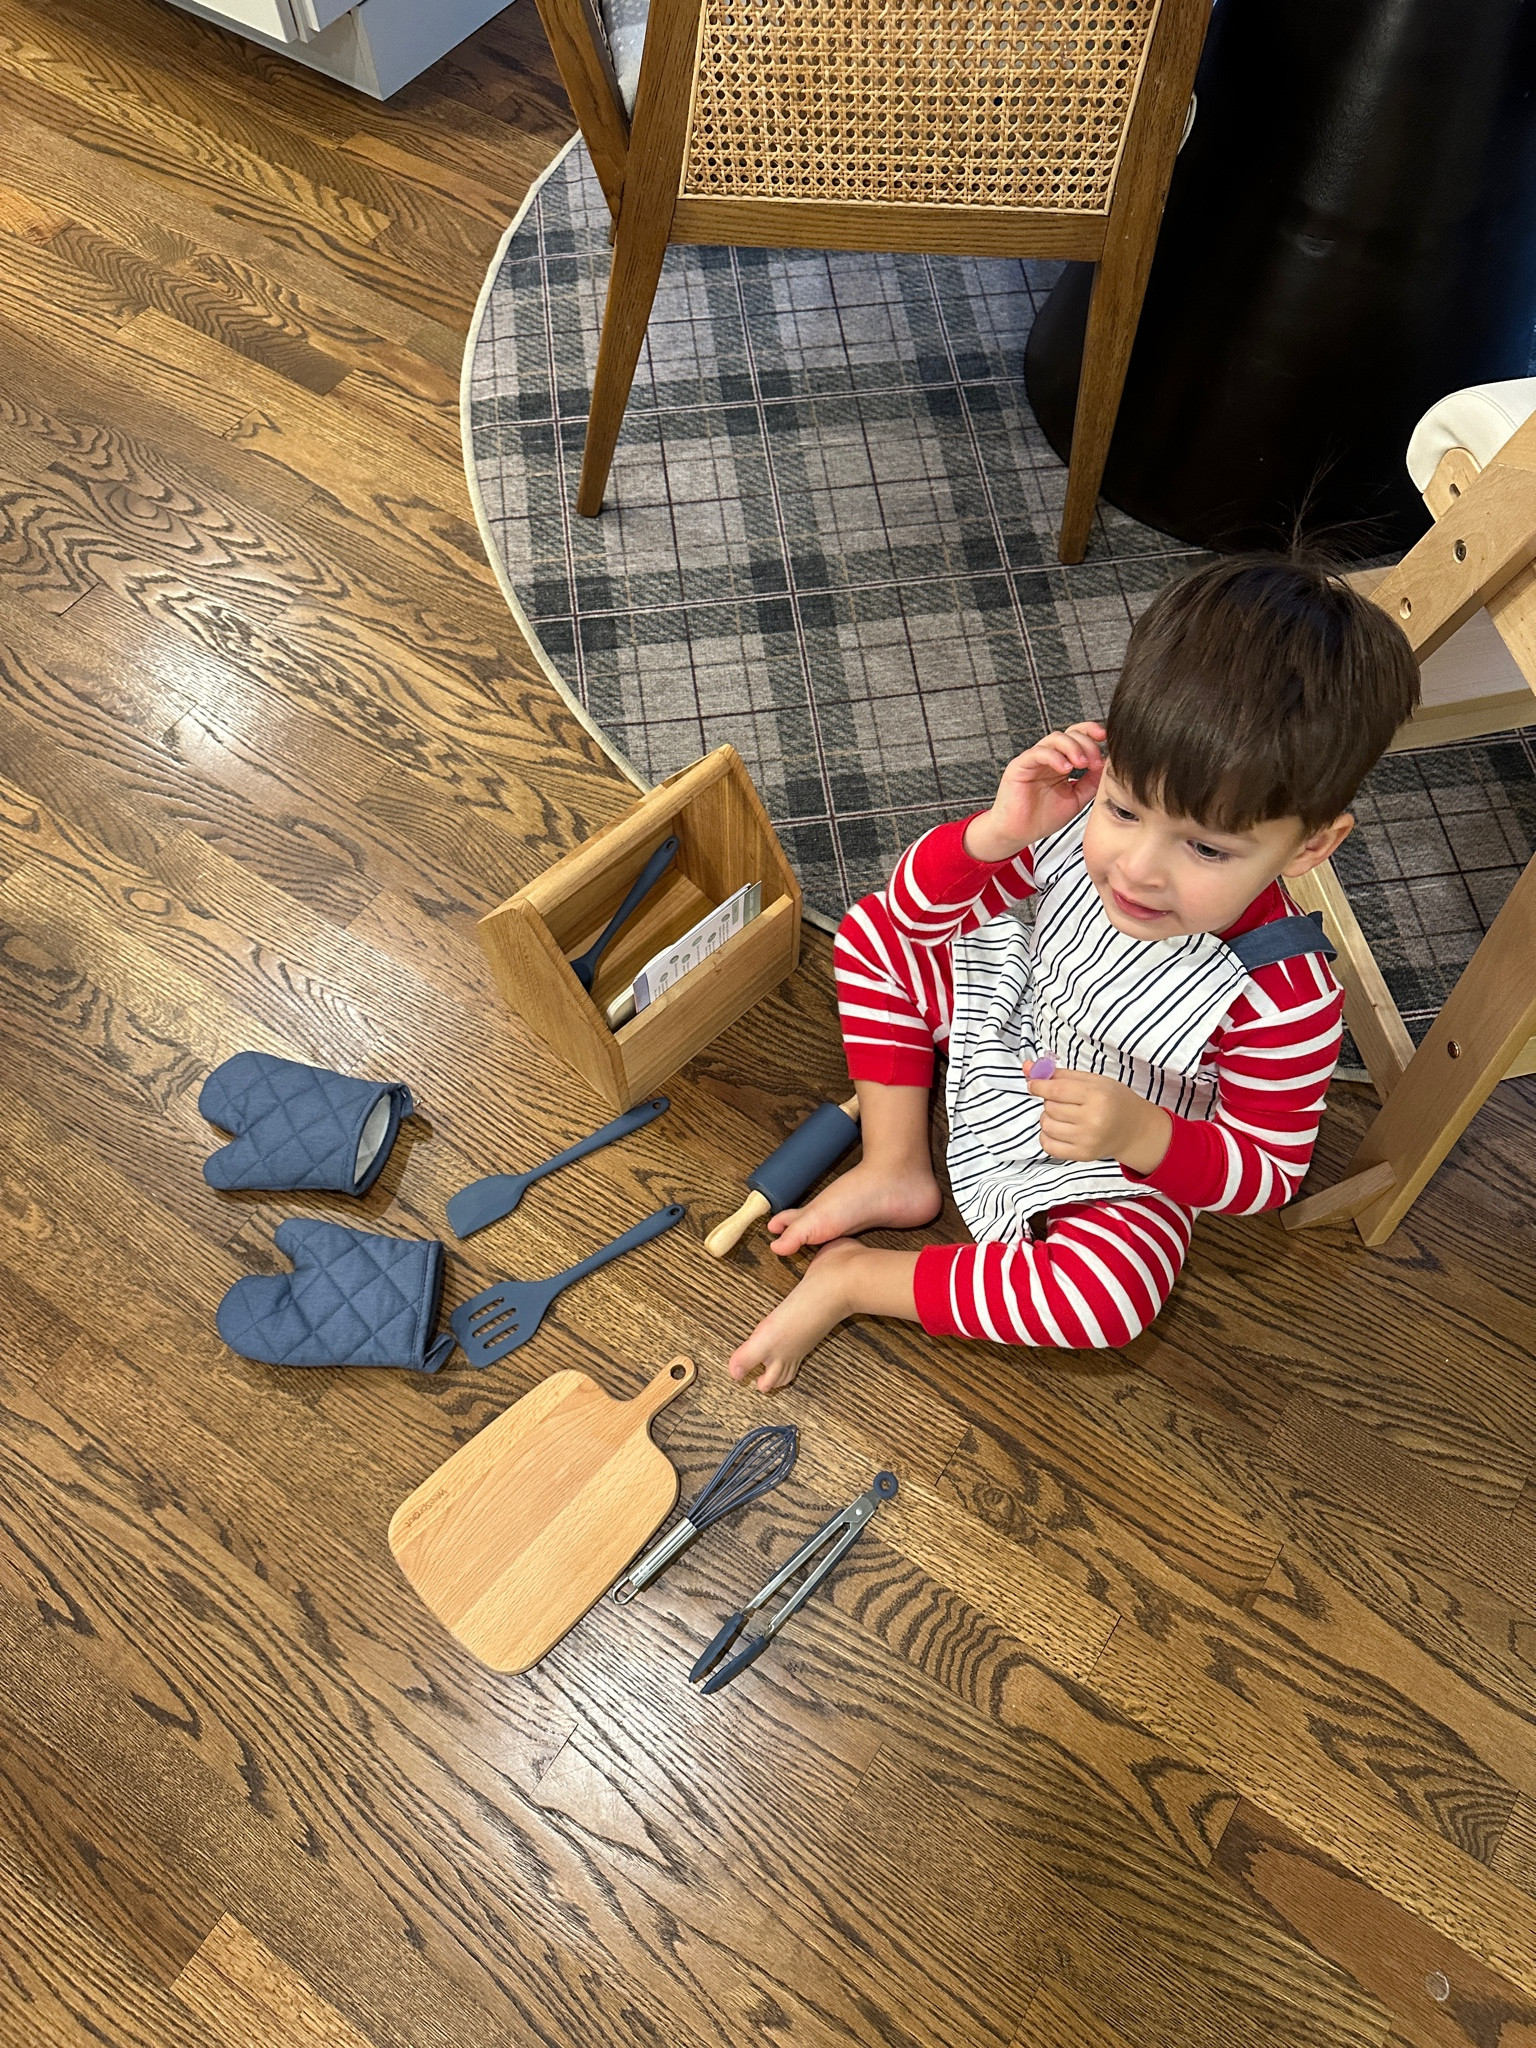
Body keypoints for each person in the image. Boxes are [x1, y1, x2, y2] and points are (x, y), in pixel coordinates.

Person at [727, 554, 1420, 1391]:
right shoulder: (1067, 823)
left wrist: (1142, 1135)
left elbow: (1267, 1169)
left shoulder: (1285, 996)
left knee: (1115, 1297)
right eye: (1124, 809)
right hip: (1010, 1027)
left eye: (1205, 847)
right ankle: (896, 1161)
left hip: (1115, 1148)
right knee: (873, 933)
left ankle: (857, 1280)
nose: (1137, 868)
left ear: (1311, 845)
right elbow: (913, 919)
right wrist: (993, 834)